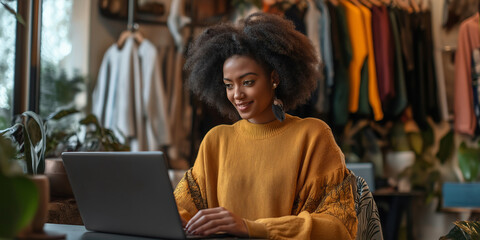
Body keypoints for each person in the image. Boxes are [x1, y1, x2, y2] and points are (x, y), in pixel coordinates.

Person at [174, 12, 358, 239]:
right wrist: (175, 221)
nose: (237, 95)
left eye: (248, 82)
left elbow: (339, 225)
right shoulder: (216, 140)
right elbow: (180, 209)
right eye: (229, 85)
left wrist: (252, 227)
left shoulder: (313, 135)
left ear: (275, 78)